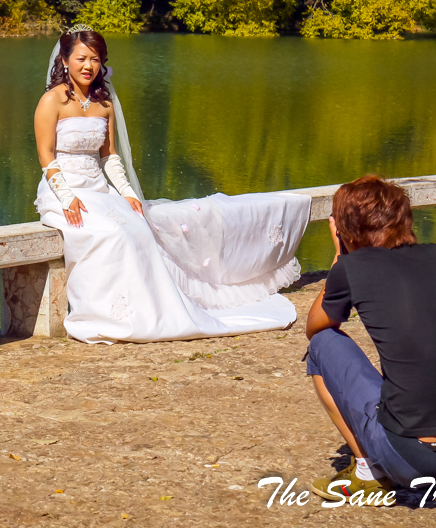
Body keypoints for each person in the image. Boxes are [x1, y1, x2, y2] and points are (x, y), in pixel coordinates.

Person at [33, 26, 311, 343]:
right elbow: (46, 154)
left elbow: (109, 156)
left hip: (99, 189)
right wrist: (67, 197)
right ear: (65, 61)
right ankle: (102, 313)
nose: (88, 66)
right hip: (65, 190)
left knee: (138, 228)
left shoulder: (104, 103)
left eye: (95, 59)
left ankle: (147, 311)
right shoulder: (51, 101)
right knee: (108, 234)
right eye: (81, 58)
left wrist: (126, 193)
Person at [306, 175, 436, 503]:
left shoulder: (352, 267)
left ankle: (368, 473)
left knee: (322, 346)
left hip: (412, 459)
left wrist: (339, 260)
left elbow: (316, 326)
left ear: (345, 230)